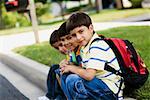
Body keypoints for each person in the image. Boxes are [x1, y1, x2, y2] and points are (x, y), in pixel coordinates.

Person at [59, 12, 124, 100]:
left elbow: (89, 75)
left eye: (81, 31)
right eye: (74, 35)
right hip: (99, 86)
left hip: (110, 91)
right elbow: (83, 69)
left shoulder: (97, 45)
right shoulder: (84, 47)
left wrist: (72, 68)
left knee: (72, 79)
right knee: (64, 74)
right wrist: (69, 65)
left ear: (91, 28)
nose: (78, 37)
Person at [38, 22, 81, 100]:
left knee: (60, 71)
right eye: (57, 48)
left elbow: (80, 66)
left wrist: (69, 65)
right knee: (56, 69)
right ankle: (52, 96)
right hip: (76, 74)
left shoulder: (77, 50)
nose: (61, 49)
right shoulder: (71, 52)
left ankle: (58, 96)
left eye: (61, 45)